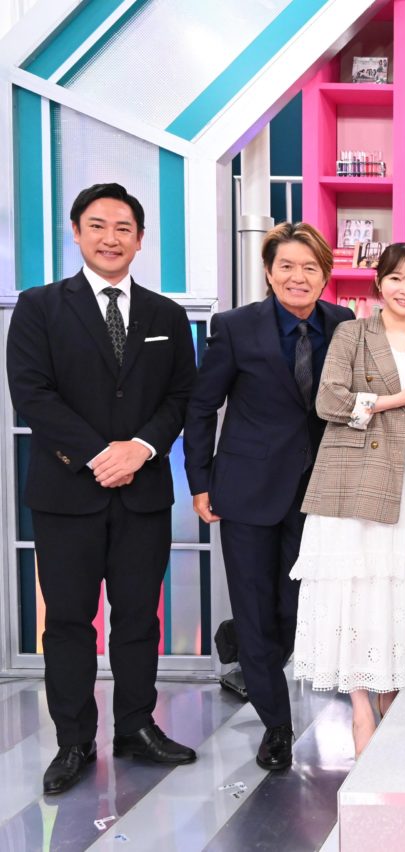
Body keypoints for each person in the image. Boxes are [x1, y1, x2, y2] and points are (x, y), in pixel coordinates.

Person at [7, 183, 198, 794]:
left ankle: (136, 726)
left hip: (143, 492)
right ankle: (74, 740)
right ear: (76, 232)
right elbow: (32, 393)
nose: (110, 238)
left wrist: (141, 448)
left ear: (140, 239)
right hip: (66, 493)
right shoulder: (39, 307)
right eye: (97, 225)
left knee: (139, 618)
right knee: (68, 621)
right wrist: (97, 455)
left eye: (123, 228)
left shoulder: (166, 315)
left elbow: (182, 396)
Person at [184, 223, 355, 771]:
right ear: (268, 271)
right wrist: (200, 481)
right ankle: (277, 725)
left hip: (318, 491)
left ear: (324, 276)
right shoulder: (235, 327)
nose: (297, 277)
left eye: (310, 268)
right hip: (247, 487)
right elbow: (202, 405)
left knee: (296, 605)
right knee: (257, 604)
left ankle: (239, 642)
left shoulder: (345, 325)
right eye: (287, 266)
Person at [290, 244, 405, 755]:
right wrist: (396, 400)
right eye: (397, 278)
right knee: (356, 589)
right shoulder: (352, 333)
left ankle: (390, 691)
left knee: (394, 590)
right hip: (354, 480)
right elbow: (328, 401)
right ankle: (361, 703)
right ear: (378, 283)